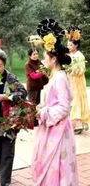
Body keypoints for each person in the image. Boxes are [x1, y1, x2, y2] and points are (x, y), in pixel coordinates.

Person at [32, 19, 78, 185]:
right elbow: (55, 103)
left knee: (56, 167)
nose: (43, 60)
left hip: (57, 131)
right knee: (50, 166)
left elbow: (64, 107)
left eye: (45, 56)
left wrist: (43, 112)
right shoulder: (56, 77)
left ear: (53, 59)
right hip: (52, 128)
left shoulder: (59, 78)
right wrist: (42, 106)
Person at [0, 48, 27, 186]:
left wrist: (6, 97)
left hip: (9, 121)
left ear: (4, 65)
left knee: (7, 152)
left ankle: (5, 181)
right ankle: (3, 174)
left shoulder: (10, 78)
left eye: (0, 65)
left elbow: (23, 93)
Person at [66, 27, 90, 133]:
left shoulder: (79, 55)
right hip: (69, 80)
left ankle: (78, 124)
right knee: (70, 101)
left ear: (76, 45)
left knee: (77, 101)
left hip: (77, 81)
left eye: (71, 45)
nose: (69, 46)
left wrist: (72, 69)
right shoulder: (68, 55)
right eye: (68, 45)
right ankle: (73, 124)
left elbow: (81, 69)